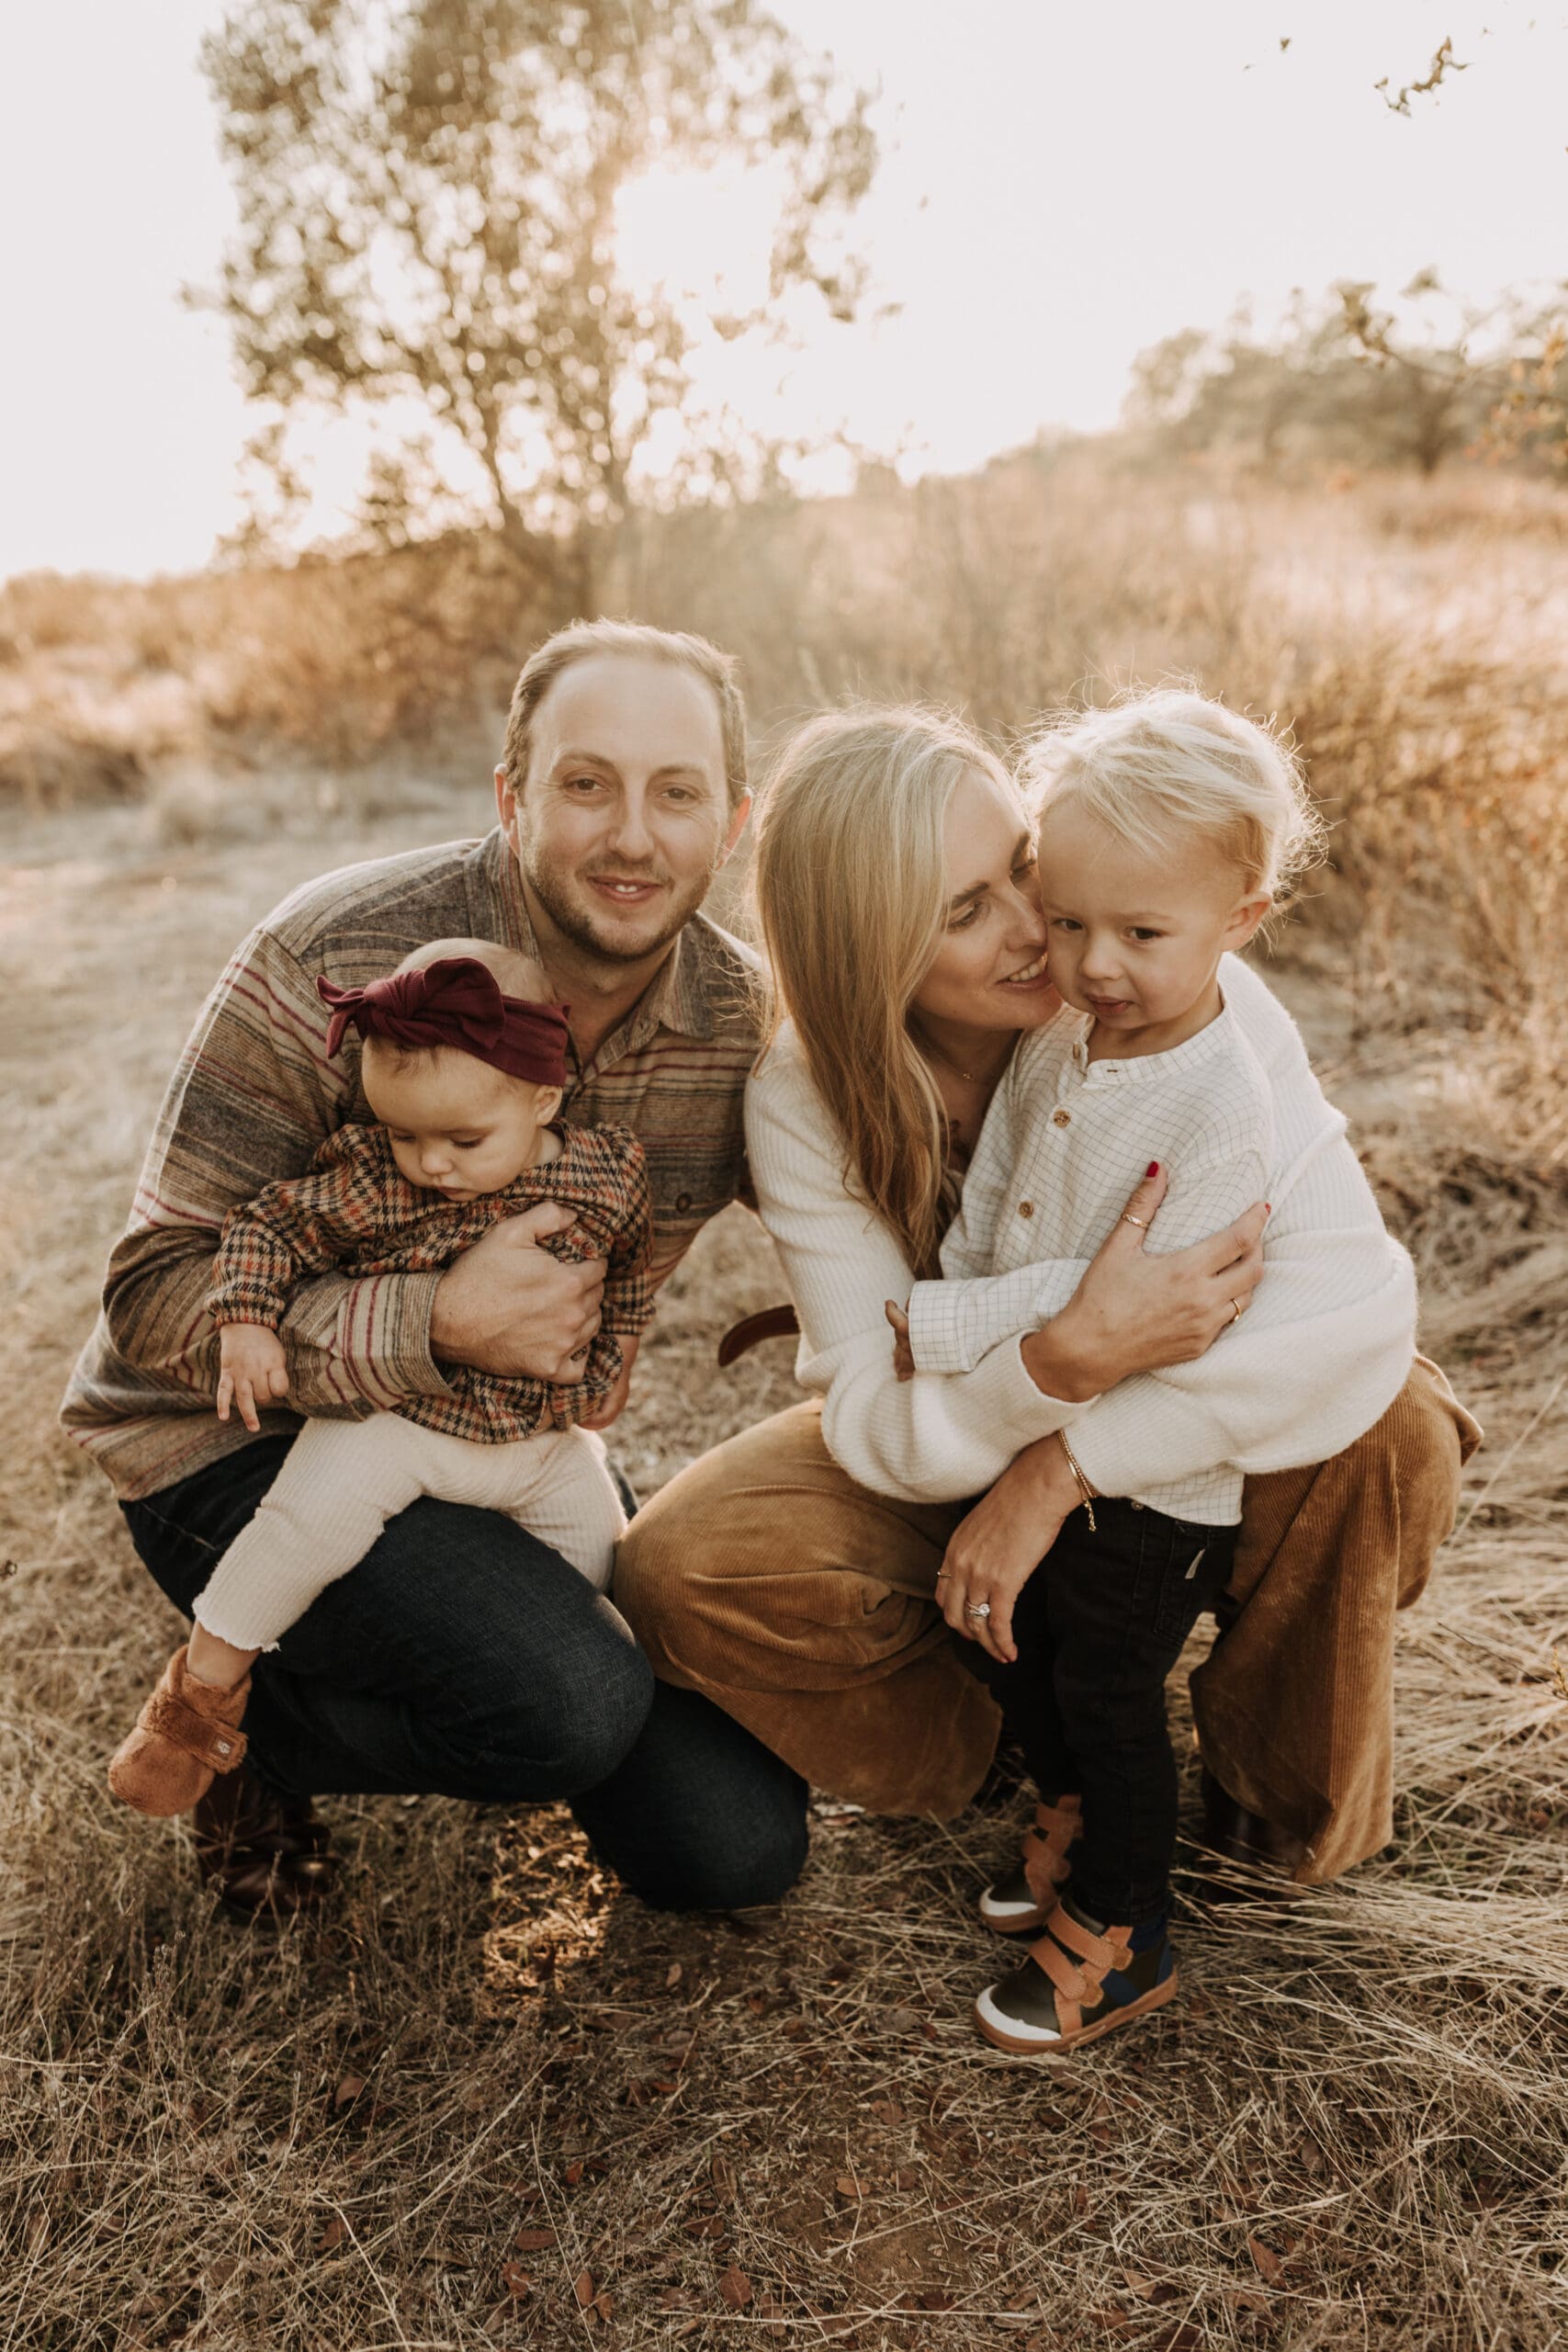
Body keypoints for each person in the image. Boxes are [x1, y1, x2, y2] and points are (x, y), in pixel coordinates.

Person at [615, 704, 1478, 1927]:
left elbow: (1344, 1310)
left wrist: (1058, 1468)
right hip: (961, 1424)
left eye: (1019, 868)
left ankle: (1267, 1788)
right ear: (868, 951)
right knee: (679, 1567)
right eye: (964, 911)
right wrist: (1056, 1360)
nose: (1040, 933)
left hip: (1172, 1419)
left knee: (1390, 1424)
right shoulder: (807, 1096)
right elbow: (868, 1413)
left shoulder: (1159, 987)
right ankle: (1018, 1749)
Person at [63, 620, 814, 1919]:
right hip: (238, 1445)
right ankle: (256, 1735)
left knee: (735, 1848)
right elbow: (150, 1302)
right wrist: (434, 1321)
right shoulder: (337, 957)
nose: (631, 835)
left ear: (732, 819)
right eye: (586, 783)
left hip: (510, 1439)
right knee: (569, 1701)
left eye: (675, 791)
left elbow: (874, 1205)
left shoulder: (740, 1022)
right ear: (511, 796)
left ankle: (463, 1653)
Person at [880, 692, 1416, 2053]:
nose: (1092, 963)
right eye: (1065, 922)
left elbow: (1138, 1310)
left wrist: (942, 1332)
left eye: (1138, 933)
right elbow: (1001, 1187)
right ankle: (1057, 1814)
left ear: (1238, 917)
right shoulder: (1057, 1034)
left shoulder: (1220, 1104)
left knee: (1105, 1689)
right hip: (1042, 1411)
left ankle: (1124, 1930)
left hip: (1158, 1475)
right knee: (1017, 1646)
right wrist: (964, 1303)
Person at [107, 938, 650, 1819]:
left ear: (544, 1096)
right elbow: (263, 1229)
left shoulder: (606, 1173)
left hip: (540, 1440)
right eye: (405, 1134)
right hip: (399, 1420)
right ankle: (199, 1695)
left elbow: (628, 1261)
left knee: (604, 1558)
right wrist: (244, 1318)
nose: (431, 1162)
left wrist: (616, 1347)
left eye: (462, 1139)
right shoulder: (379, 1186)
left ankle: (509, 1703)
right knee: (306, 1522)